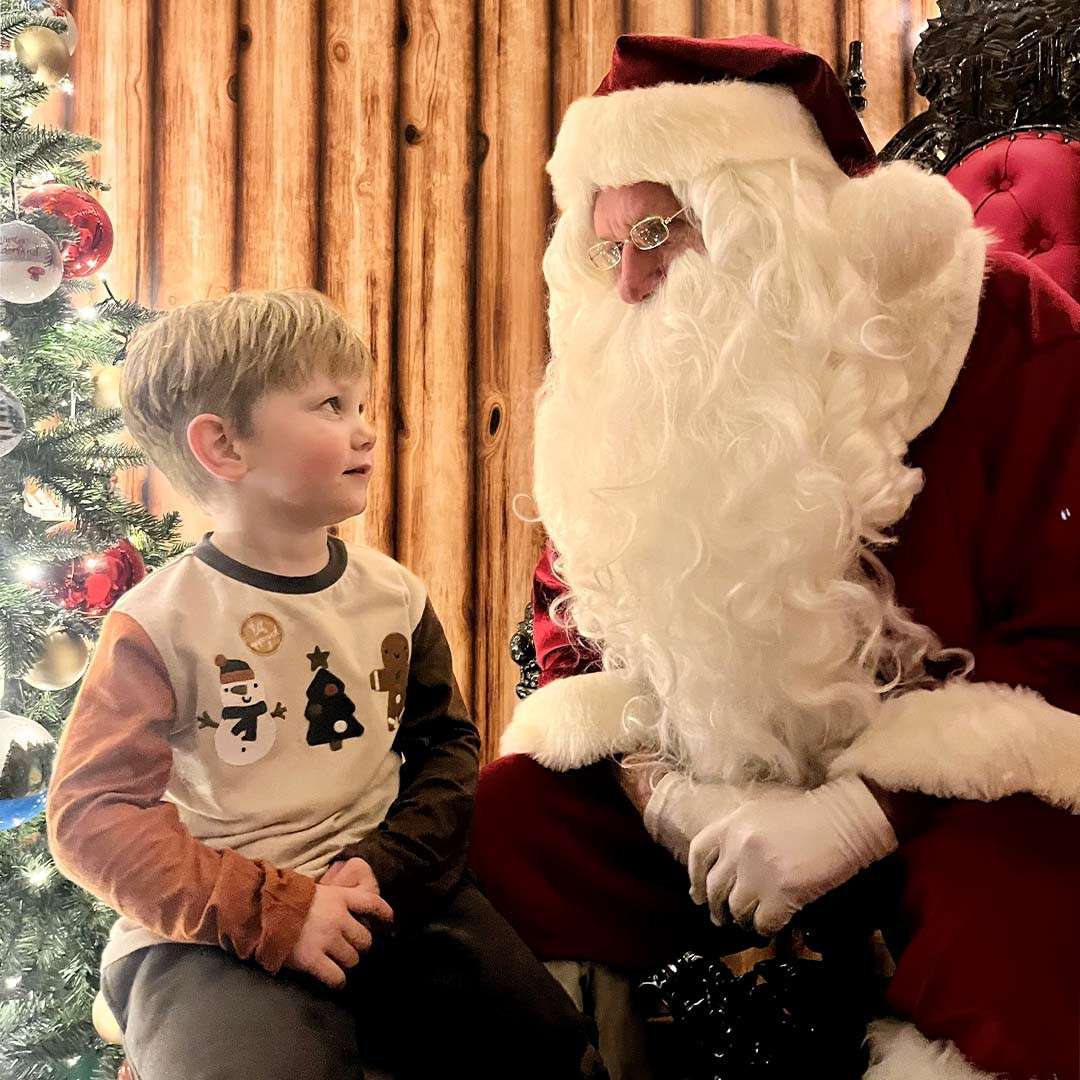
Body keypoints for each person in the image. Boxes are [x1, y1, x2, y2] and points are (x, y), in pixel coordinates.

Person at [469, 35, 1080, 1080]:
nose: (628, 284)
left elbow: (1070, 635)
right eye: (605, 244)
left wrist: (859, 816)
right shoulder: (631, 366)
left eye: (659, 231)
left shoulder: (1013, 335)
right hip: (714, 814)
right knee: (498, 833)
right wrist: (669, 798)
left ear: (772, 225)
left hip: (963, 804)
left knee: (1030, 920)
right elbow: (574, 641)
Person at [46, 290, 606, 1080]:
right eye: (331, 404)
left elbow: (447, 748)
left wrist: (388, 866)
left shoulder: (395, 597)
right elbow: (91, 818)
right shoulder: (158, 623)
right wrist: (279, 911)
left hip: (389, 894)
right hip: (216, 929)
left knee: (553, 1052)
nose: (366, 428)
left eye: (363, 402)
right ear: (224, 447)